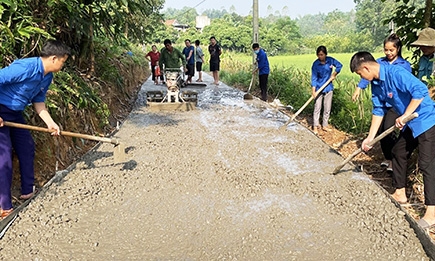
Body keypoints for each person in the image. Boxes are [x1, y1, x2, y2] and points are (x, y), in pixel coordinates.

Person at [350, 51, 435, 230]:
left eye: (360, 74)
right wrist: (370, 138)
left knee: (427, 163)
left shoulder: (396, 73)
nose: (362, 77)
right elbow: (379, 110)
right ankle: (400, 192)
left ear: (366, 67)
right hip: (410, 124)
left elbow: (420, 92)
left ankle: (431, 212)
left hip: (426, 119)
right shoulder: (376, 84)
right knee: (398, 151)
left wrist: (404, 115)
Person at [0, 40, 70, 219]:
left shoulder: (47, 76)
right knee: (4, 156)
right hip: (1, 110)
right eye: (63, 61)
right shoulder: (25, 68)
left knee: (27, 148)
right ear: (54, 58)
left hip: (15, 114)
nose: (63, 65)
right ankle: (4, 206)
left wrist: (50, 123)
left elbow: (38, 102)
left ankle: (27, 192)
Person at [352, 34, 411, 172]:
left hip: (397, 105)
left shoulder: (403, 66)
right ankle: (389, 158)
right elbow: (368, 75)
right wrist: (359, 87)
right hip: (384, 102)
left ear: (398, 49)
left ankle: (394, 161)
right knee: (380, 130)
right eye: (386, 50)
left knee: (388, 128)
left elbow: (414, 89)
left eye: (392, 50)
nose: (389, 53)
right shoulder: (379, 63)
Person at [311, 45, 342, 134]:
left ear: (325, 54)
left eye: (322, 55)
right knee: (317, 107)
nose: (320, 57)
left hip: (328, 87)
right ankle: (315, 126)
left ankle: (325, 125)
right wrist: (313, 91)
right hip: (319, 88)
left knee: (327, 108)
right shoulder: (315, 64)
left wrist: (334, 74)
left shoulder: (330, 61)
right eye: (319, 55)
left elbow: (339, 66)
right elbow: (314, 78)